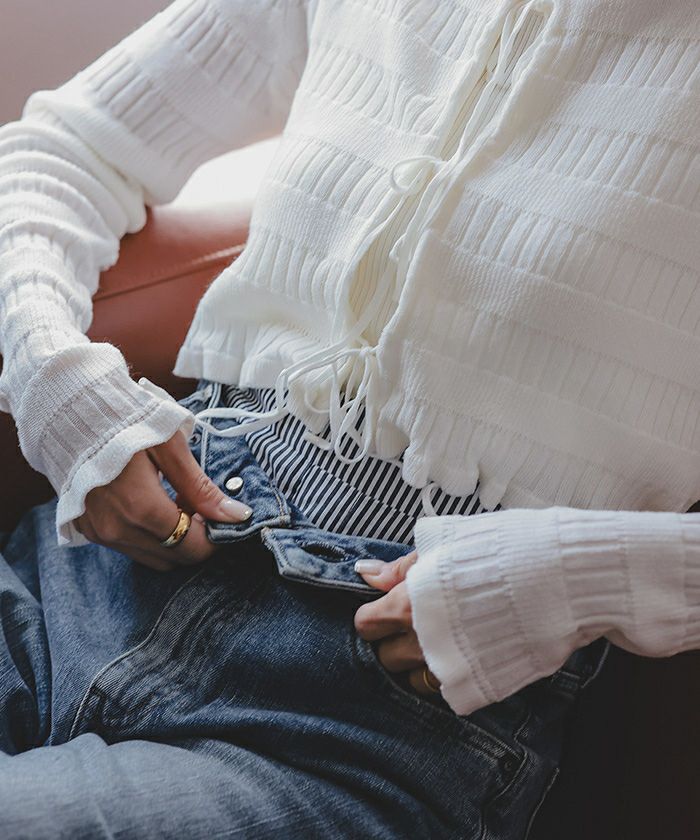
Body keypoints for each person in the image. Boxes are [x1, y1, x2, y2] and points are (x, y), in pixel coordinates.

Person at [0, 0, 698, 836]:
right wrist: (58, 386)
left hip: (364, 722)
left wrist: (582, 577)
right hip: (86, 574)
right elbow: (63, 147)